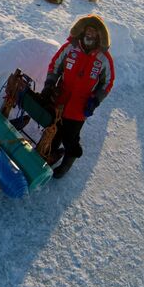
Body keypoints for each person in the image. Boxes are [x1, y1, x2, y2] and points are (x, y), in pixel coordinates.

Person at [41, 14, 115, 178]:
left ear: (99, 36)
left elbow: (107, 82)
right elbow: (55, 66)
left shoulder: (103, 59)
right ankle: (50, 150)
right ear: (82, 30)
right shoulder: (70, 48)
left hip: (80, 106)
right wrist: (49, 85)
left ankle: (70, 157)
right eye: (88, 30)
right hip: (60, 98)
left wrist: (95, 100)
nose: (90, 34)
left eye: (94, 32)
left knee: (70, 136)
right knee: (54, 126)